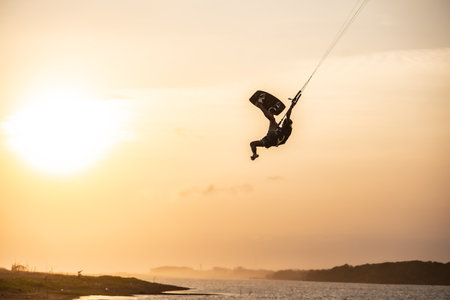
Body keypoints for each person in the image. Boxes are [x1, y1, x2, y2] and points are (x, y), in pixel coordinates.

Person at [250, 95, 298, 160]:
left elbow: (288, 115)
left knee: (272, 120)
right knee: (253, 143)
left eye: (284, 122)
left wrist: (292, 106)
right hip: (271, 142)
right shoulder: (283, 130)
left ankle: (259, 105)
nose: (283, 123)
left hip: (274, 137)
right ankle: (254, 154)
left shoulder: (288, 127)